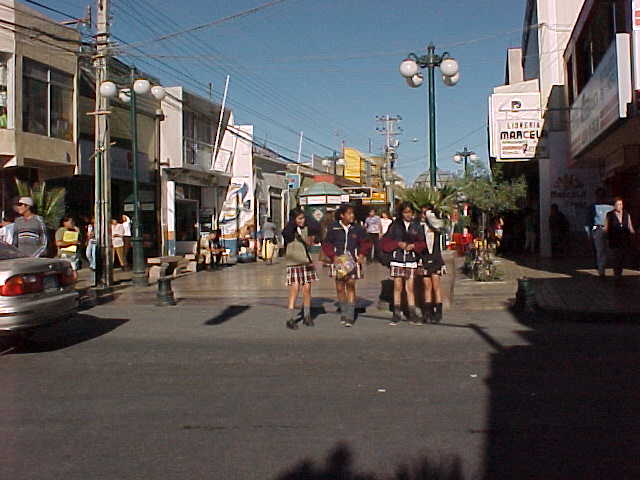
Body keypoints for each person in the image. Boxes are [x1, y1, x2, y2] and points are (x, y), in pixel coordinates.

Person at [321, 205, 371, 327]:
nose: (351, 216)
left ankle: (350, 315)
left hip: (352, 260)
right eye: (349, 213)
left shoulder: (357, 228)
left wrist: (362, 254)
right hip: (338, 260)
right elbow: (327, 243)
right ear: (342, 215)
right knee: (339, 287)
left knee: (351, 285)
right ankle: (344, 310)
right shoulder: (334, 227)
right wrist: (333, 256)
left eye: (352, 213)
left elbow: (366, 242)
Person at [380, 202, 425, 325]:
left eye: (410, 212)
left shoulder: (417, 226)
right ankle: (396, 313)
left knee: (410, 288)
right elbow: (385, 242)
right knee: (397, 286)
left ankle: (412, 313)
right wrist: (398, 244)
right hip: (397, 259)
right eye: (405, 212)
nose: (408, 215)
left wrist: (414, 246)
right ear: (401, 213)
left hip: (410, 259)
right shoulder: (395, 226)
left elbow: (423, 243)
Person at [282, 209, 320, 329]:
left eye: (303, 218)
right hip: (294, 262)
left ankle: (307, 316)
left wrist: (306, 218)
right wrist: (293, 224)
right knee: (295, 288)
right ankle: (290, 317)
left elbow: (316, 228)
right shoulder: (289, 230)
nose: (302, 221)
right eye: (299, 218)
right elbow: (286, 234)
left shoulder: (306, 228)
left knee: (307, 288)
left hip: (306, 261)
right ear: (294, 220)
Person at [418, 206, 446, 323]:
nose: (425, 215)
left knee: (436, 286)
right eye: (423, 213)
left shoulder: (436, 228)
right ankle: (427, 312)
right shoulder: (420, 228)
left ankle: (438, 312)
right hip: (424, 259)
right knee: (427, 286)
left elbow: (439, 225)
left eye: (426, 213)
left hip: (436, 260)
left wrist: (430, 215)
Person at [605, 197, 635, 281]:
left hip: (624, 240)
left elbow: (630, 226)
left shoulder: (626, 214)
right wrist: (606, 238)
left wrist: (633, 234)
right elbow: (606, 228)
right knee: (616, 258)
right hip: (614, 240)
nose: (620, 206)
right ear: (614, 206)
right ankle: (616, 275)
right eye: (618, 204)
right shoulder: (609, 215)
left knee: (622, 257)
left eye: (621, 204)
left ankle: (620, 274)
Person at [586, 188, 612, 277]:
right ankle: (601, 269)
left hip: (609, 230)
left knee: (609, 250)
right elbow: (590, 222)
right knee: (600, 250)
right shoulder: (592, 207)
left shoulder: (610, 207)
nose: (600, 197)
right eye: (599, 195)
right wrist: (593, 232)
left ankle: (604, 266)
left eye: (602, 195)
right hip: (598, 228)